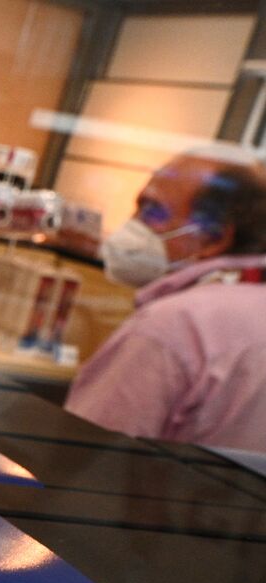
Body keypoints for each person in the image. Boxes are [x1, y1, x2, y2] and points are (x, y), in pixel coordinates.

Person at [65, 149, 266, 452]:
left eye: (154, 212)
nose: (132, 224)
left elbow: (84, 456)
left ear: (214, 239)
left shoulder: (173, 326)